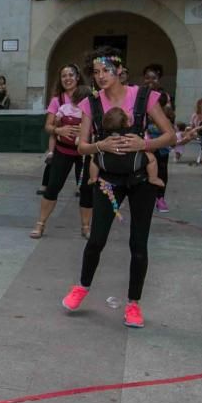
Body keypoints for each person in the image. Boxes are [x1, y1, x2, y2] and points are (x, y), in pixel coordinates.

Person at [61, 47, 175, 329]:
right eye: (96, 72)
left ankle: (133, 305)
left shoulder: (144, 97)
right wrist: (100, 145)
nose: (101, 77)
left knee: (138, 244)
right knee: (96, 239)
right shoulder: (91, 103)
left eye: (106, 71)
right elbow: (82, 145)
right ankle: (82, 287)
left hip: (140, 181)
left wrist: (144, 144)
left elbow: (171, 135)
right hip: (108, 180)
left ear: (120, 71)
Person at [30, 64, 92, 239]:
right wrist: (59, 131)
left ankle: (86, 227)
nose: (67, 78)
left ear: (77, 77)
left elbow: (97, 122)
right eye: (64, 75)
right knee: (53, 187)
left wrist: (85, 131)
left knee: (87, 189)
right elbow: (48, 126)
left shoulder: (88, 97)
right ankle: (40, 224)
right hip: (63, 151)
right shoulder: (58, 100)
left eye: (71, 75)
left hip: (84, 153)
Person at [86, 106, 164, 188]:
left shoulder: (105, 135)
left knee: (94, 160)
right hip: (133, 163)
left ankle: (93, 178)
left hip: (108, 163)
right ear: (127, 123)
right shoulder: (132, 133)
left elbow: (95, 143)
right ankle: (153, 178)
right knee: (152, 158)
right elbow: (147, 145)